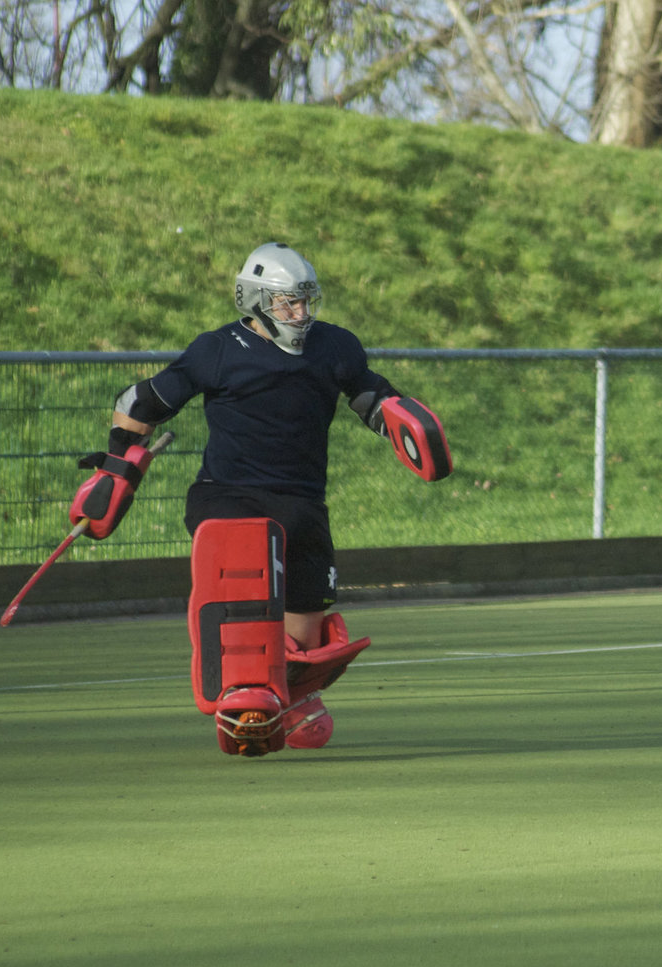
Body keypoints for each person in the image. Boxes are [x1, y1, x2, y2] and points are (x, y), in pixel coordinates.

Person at [68, 242, 452, 756]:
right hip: (227, 499)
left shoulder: (335, 347)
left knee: (306, 628)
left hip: (302, 504)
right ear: (254, 301)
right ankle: (244, 698)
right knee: (248, 590)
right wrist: (118, 461)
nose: (300, 313)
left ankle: (288, 695)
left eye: (306, 300)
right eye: (287, 302)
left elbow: (371, 398)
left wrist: (403, 425)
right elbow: (138, 403)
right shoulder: (217, 350)